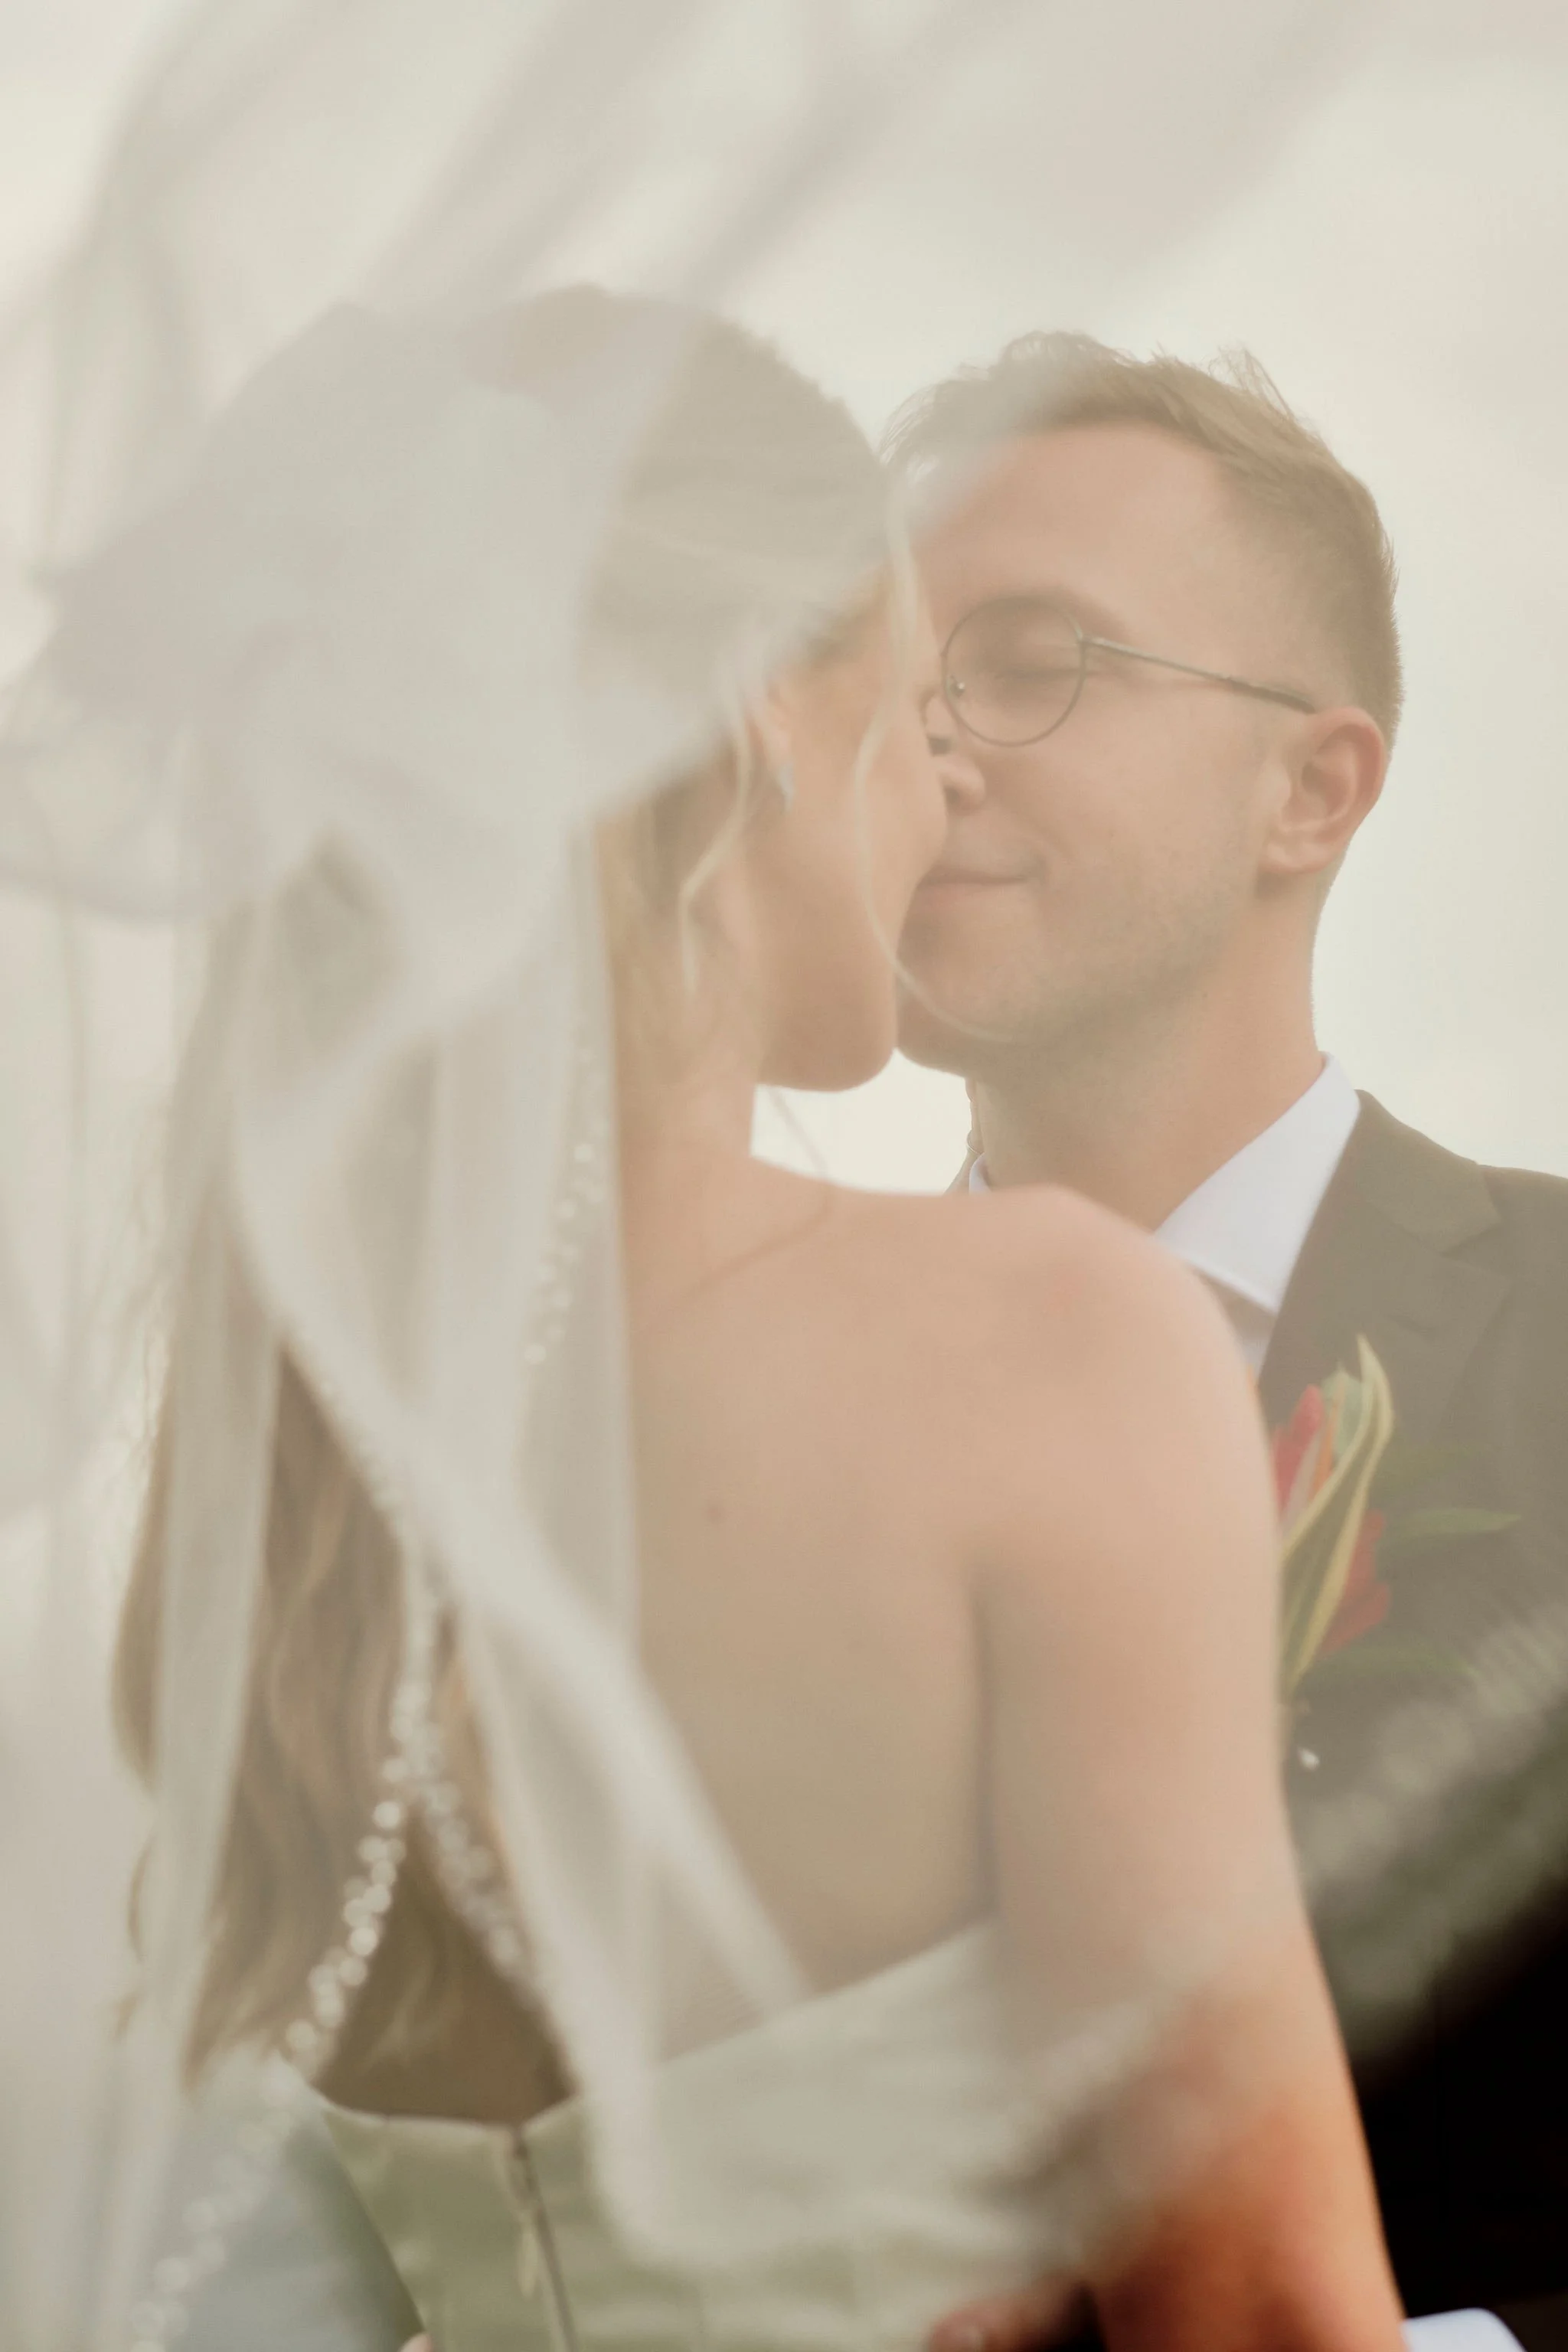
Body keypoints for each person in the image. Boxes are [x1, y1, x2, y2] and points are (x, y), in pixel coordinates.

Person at [91, 289, 1406, 2352]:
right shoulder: (1050, 1340)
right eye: (914, 705)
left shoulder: (289, 1444)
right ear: (764, 732)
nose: (942, 786)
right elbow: (1250, 2308)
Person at [890, 334, 1568, 2352]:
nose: (922, 749)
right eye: (878, 681)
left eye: (1031, 663)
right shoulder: (692, 1421)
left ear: (1311, 786)